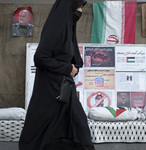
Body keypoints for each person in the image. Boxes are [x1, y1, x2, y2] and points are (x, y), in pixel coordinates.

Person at [18, 0, 95, 150]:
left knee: (74, 123)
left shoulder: (68, 27)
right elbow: (40, 58)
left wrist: (74, 66)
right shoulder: (57, 27)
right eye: (79, 6)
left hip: (64, 86)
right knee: (45, 124)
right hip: (51, 88)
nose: (80, 11)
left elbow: (69, 55)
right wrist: (67, 68)